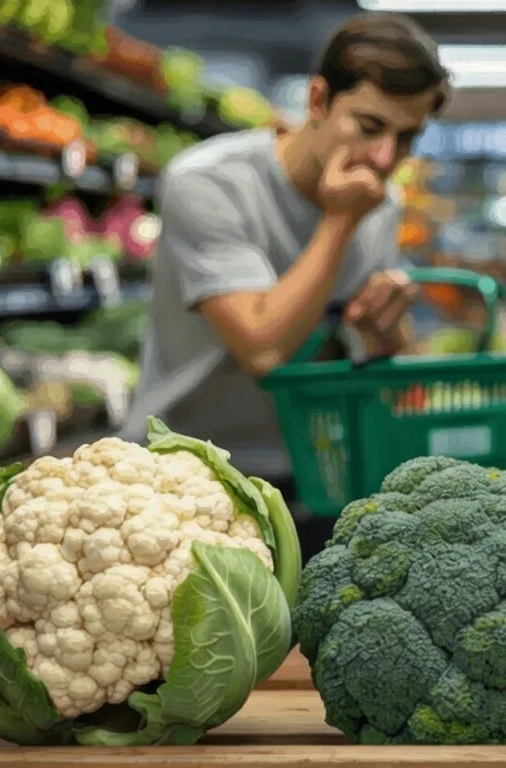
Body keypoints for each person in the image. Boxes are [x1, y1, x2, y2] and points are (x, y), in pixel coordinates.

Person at [126, 12, 449, 558]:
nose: (385, 159)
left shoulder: (382, 204)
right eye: (370, 127)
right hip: (184, 474)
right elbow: (262, 347)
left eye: (407, 138)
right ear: (319, 100)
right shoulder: (209, 182)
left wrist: (385, 329)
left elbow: (355, 355)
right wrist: (340, 222)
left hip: (312, 475)